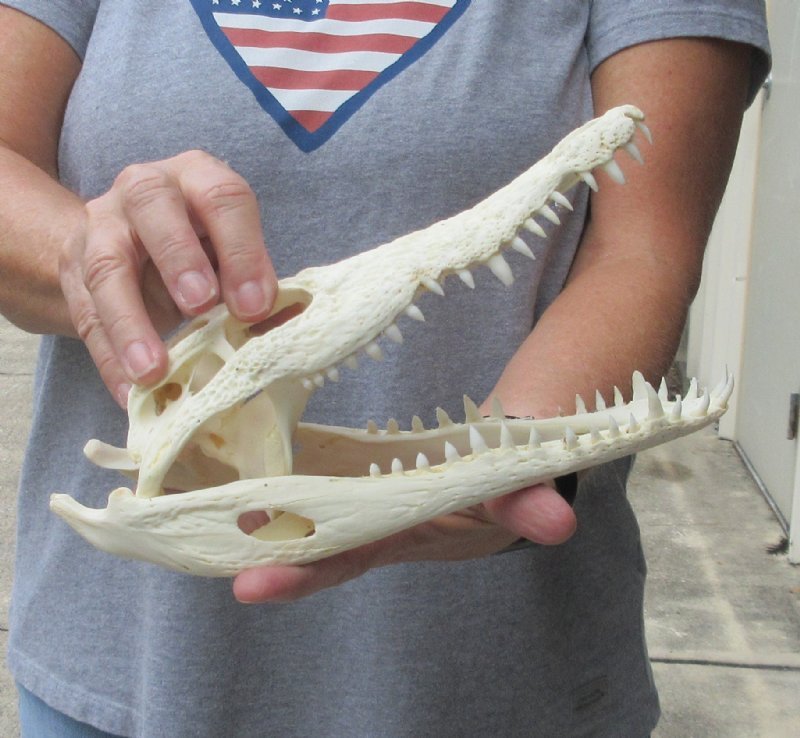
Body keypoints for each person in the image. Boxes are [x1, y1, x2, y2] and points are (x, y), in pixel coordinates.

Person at [0, 1, 769, 736]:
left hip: (502, 681)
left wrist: (512, 460)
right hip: (114, 674)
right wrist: (89, 258)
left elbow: (644, 247)